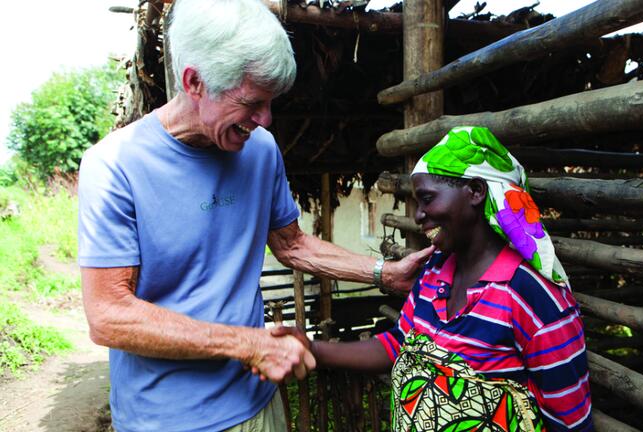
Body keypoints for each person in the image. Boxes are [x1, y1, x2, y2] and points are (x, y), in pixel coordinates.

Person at [76, 0, 432, 431]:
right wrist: (247, 344)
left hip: (258, 405)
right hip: (165, 418)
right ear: (194, 82)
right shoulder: (114, 166)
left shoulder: (259, 149)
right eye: (252, 102)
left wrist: (384, 273)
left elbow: (292, 243)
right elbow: (110, 315)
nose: (264, 119)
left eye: (270, 103)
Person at [310, 126, 593, 431]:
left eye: (427, 199)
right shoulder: (435, 272)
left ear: (475, 192)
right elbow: (398, 344)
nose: (419, 215)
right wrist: (311, 350)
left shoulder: (531, 295)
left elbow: (569, 420)